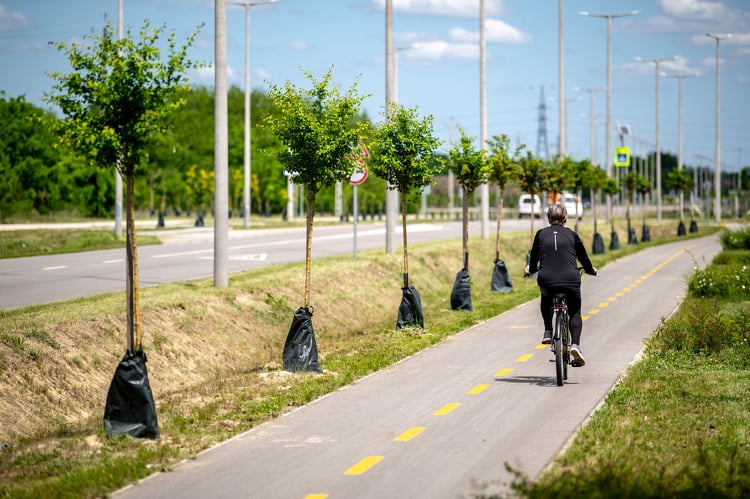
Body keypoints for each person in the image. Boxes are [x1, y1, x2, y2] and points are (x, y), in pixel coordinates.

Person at [524, 203, 596, 367]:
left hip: (547, 279)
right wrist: (590, 270)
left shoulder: (541, 234)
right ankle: (575, 345)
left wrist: (530, 269)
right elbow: (583, 257)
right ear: (565, 219)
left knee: (546, 297)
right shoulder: (571, 235)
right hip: (571, 279)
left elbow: (534, 258)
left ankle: (548, 331)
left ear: (549, 219)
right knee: (575, 311)